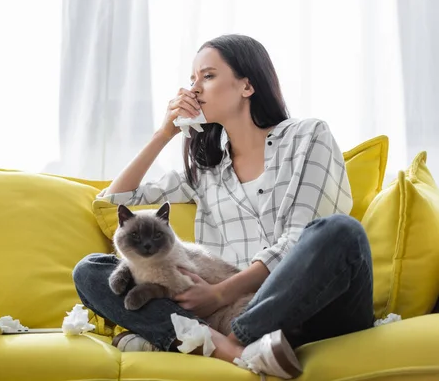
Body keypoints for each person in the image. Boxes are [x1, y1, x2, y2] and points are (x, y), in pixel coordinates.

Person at [72, 34, 374, 379]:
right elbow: (115, 203)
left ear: (246, 86)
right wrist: (163, 134)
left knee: (340, 231)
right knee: (91, 271)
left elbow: (297, 240)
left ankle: (220, 342)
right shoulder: (205, 170)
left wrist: (218, 294)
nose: (194, 89)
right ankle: (234, 351)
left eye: (208, 76)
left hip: (314, 305)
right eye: (191, 80)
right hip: (222, 314)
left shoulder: (307, 137)